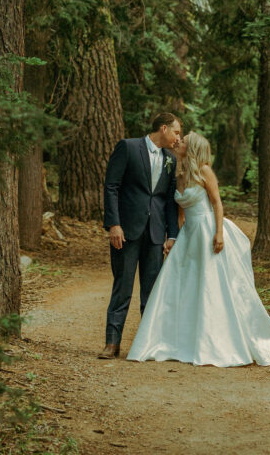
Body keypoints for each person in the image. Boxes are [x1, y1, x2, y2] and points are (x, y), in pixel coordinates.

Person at [127, 132, 270, 367]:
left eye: (184, 140)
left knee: (210, 285)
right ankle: (180, 340)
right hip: (189, 234)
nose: (179, 142)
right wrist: (174, 237)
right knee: (183, 284)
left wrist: (218, 233)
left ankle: (214, 341)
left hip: (207, 230)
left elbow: (217, 202)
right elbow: (180, 211)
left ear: (193, 148)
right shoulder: (179, 173)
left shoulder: (205, 171)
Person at [98, 112, 181, 359]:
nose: (178, 137)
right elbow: (111, 186)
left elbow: (168, 201)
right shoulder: (128, 147)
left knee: (152, 291)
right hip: (126, 231)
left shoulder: (170, 159)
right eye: (176, 132)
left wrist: (172, 235)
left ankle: (149, 344)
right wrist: (114, 224)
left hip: (156, 233)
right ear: (163, 129)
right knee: (122, 287)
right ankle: (112, 344)